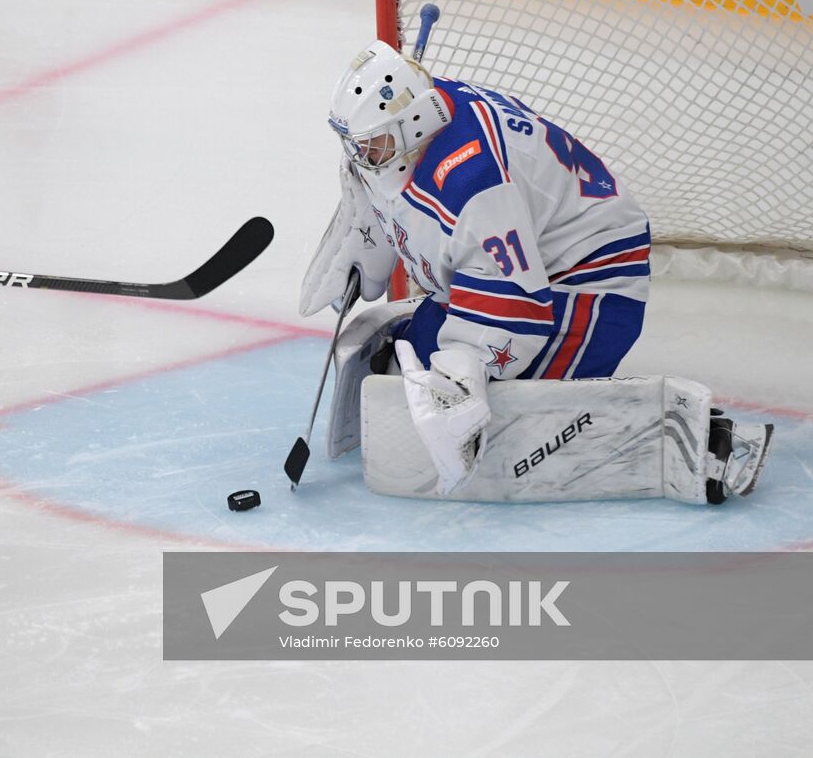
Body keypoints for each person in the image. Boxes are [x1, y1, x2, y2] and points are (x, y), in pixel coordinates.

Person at [301, 39, 771, 503]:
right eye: (356, 144)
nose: (363, 156)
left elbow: (515, 306)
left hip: (589, 278)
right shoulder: (414, 120)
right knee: (415, 372)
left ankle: (701, 441)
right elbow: (395, 193)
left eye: (373, 146)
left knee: (505, 422)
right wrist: (370, 238)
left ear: (414, 124)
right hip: (526, 261)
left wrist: (466, 374)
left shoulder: (472, 181)